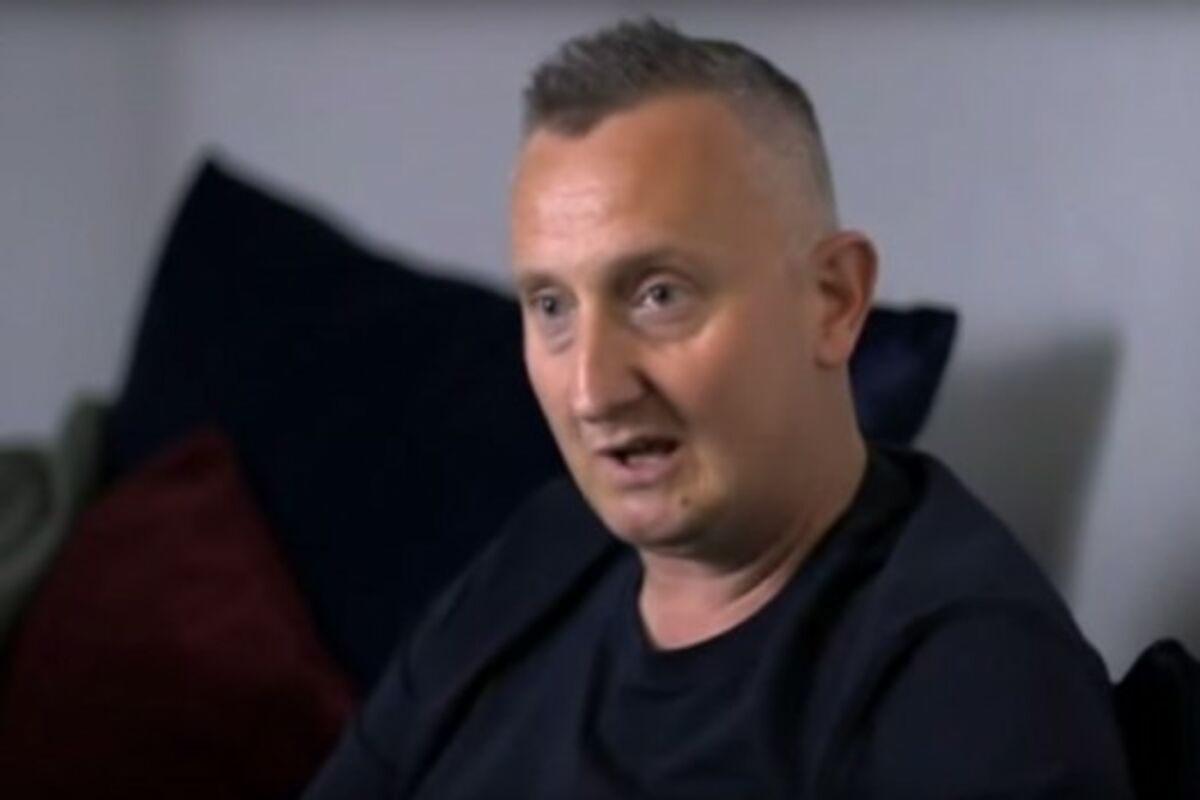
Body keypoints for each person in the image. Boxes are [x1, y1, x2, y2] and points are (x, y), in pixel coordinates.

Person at [305, 19, 1133, 799]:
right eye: (552, 306)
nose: (592, 391)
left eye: (659, 294)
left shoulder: (971, 689)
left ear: (834, 300)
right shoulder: (550, 545)